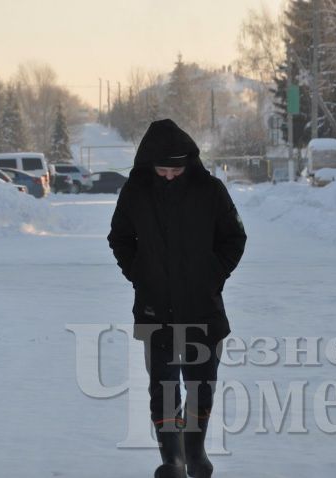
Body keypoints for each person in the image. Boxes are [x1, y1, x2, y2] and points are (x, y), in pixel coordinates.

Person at [108, 119, 246, 478]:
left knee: (201, 384)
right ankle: (171, 458)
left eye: (176, 170)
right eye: (162, 170)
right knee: (164, 386)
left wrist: (213, 274)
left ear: (189, 164)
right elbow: (119, 238)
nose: (169, 176)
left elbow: (234, 238)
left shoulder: (211, 191)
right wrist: (138, 273)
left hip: (203, 307)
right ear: (148, 165)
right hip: (155, 309)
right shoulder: (135, 192)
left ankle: (195, 451)